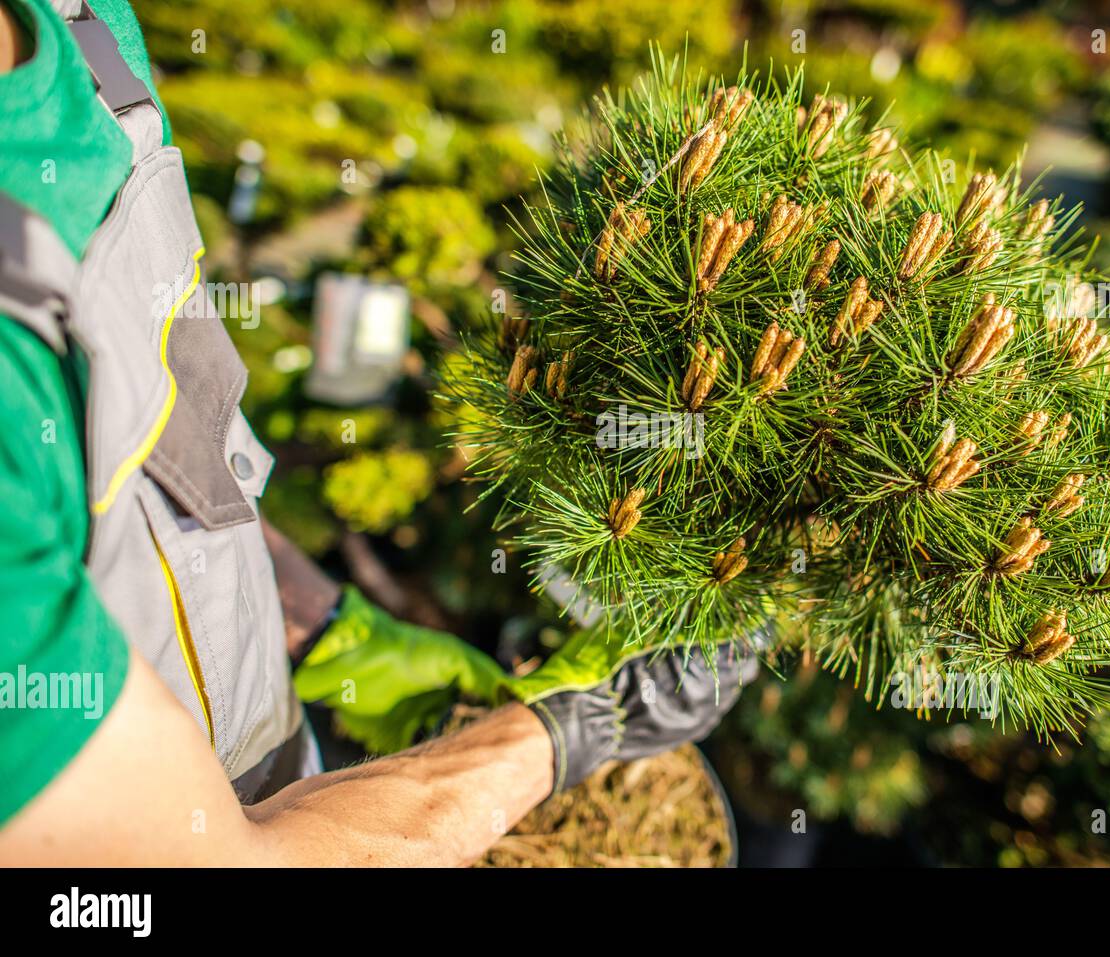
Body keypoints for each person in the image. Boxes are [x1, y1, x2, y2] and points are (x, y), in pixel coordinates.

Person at [0, 0, 755, 866]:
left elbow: (150, 465)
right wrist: (548, 738)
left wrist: (320, 627)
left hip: (293, 774)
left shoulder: (83, 25)